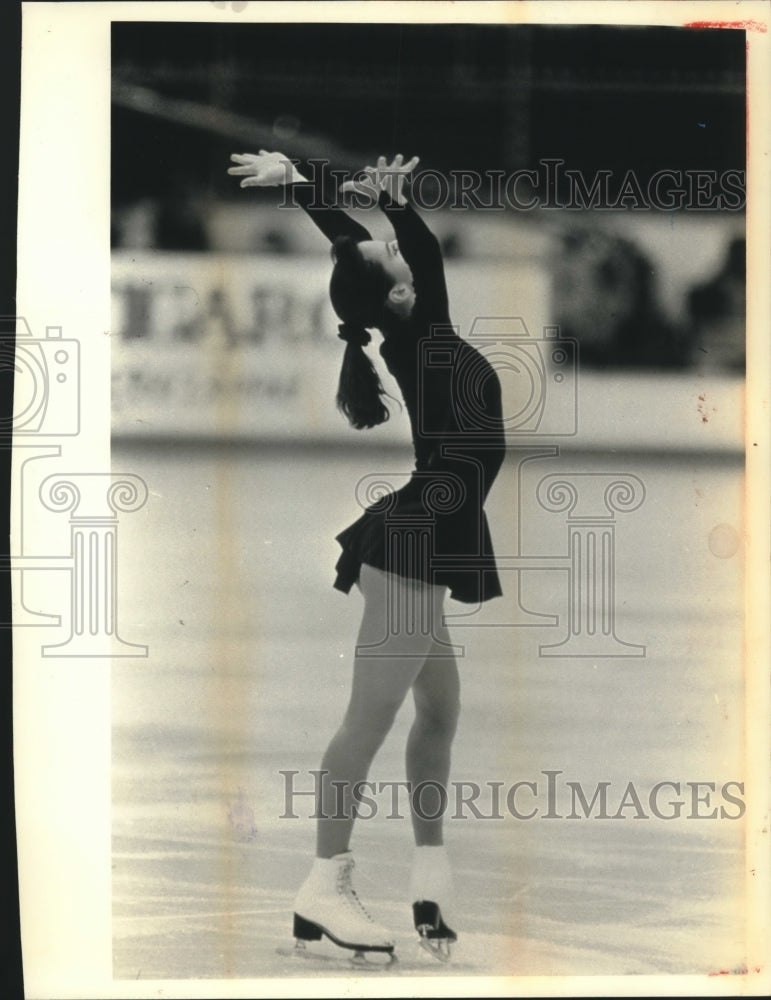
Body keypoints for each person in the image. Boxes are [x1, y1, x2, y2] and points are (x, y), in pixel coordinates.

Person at [228, 150, 506, 962]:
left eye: (386, 246)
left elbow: (358, 244)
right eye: (391, 259)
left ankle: (429, 871)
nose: (394, 248)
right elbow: (399, 245)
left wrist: (297, 180)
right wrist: (388, 206)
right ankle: (323, 884)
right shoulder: (421, 330)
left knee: (440, 709)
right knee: (369, 718)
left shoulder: (409, 315)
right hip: (418, 537)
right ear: (395, 292)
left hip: (432, 529)